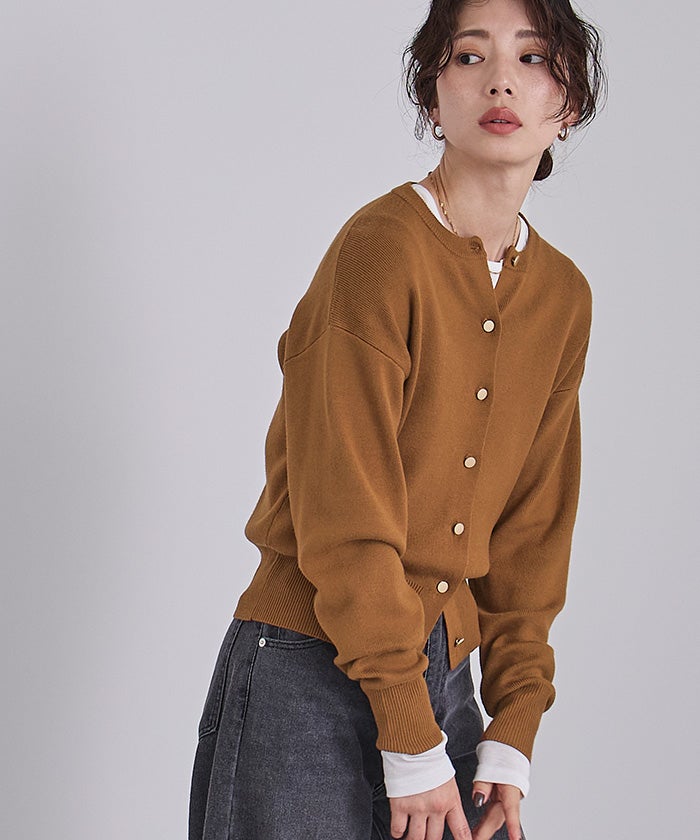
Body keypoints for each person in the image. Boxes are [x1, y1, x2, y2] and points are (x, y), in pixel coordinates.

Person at [188, 0, 606, 838]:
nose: (501, 81)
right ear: (431, 97)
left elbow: (533, 533)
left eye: (533, 58)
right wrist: (408, 735)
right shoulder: (380, 251)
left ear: (568, 104)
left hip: (443, 676)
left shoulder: (562, 297)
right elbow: (343, 513)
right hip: (305, 668)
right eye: (469, 56)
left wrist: (512, 726)